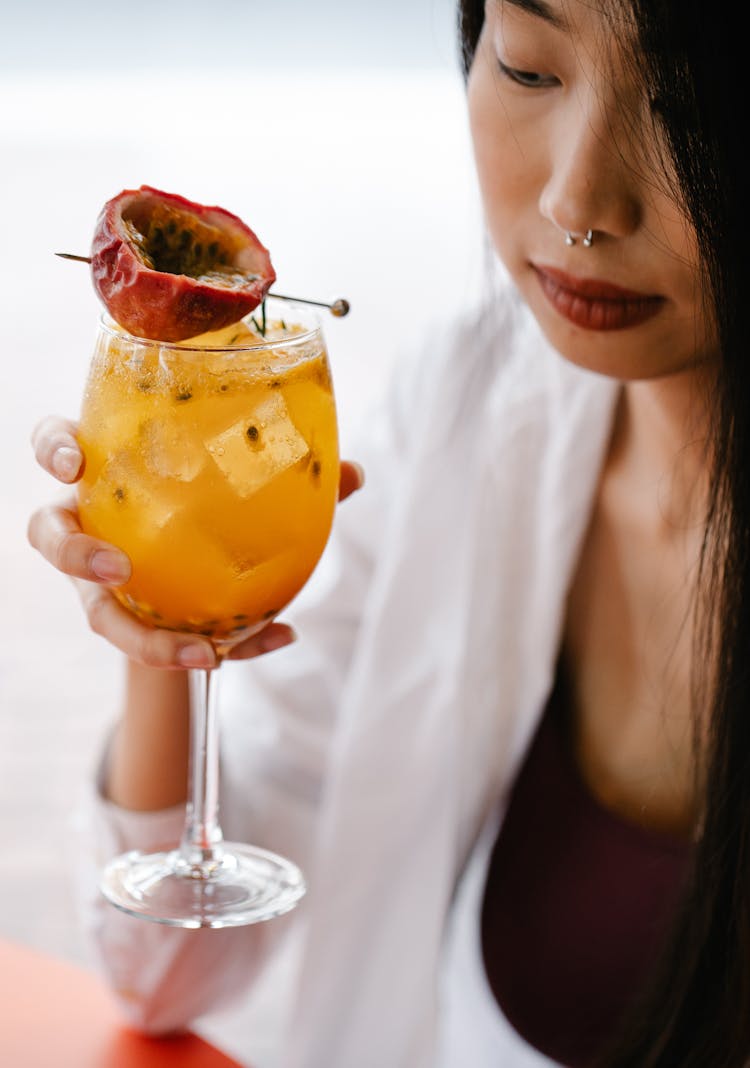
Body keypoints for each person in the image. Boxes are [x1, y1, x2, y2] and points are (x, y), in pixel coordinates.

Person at [27, 0, 750, 1064]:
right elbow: (169, 974)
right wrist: (154, 611)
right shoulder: (460, 411)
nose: (576, 199)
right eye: (527, 68)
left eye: (686, 107)